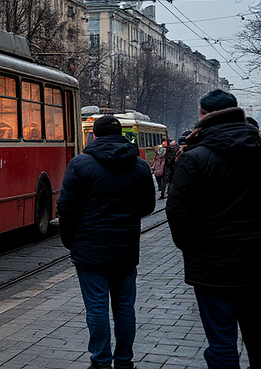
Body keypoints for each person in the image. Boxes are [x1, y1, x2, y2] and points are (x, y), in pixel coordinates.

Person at [167, 89, 261, 369]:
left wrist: (192, 249)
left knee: (221, 342)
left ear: (204, 115)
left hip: (211, 266)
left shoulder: (194, 157)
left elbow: (178, 213)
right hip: (256, 262)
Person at [57, 115, 156, 369]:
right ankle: (124, 360)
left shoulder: (80, 164)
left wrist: (71, 241)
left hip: (89, 248)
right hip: (125, 248)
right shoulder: (139, 165)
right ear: (121, 134)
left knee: (97, 307)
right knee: (125, 306)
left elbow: (66, 209)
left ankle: (101, 360)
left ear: (94, 136)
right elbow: (148, 206)